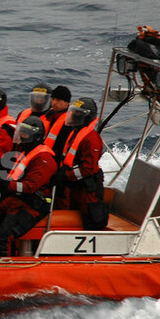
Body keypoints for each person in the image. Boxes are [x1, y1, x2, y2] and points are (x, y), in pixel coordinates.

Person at [0, 116, 58, 256]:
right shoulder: (25, 152)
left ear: (35, 136)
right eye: (21, 132)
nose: (21, 136)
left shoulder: (43, 158)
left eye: (25, 133)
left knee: (4, 235)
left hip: (33, 205)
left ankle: (5, 268)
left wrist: (3, 184)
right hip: (16, 200)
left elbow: (29, 187)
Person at [58, 97, 108, 230]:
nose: (73, 116)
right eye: (73, 113)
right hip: (75, 187)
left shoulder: (91, 138)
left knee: (92, 220)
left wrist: (66, 176)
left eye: (78, 114)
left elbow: (88, 168)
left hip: (88, 189)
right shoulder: (75, 133)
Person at [44, 85, 72, 163]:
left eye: (58, 100)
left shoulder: (70, 123)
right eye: (52, 99)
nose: (54, 102)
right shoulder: (48, 116)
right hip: (43, 156)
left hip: (57, 160)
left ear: (67, 103)